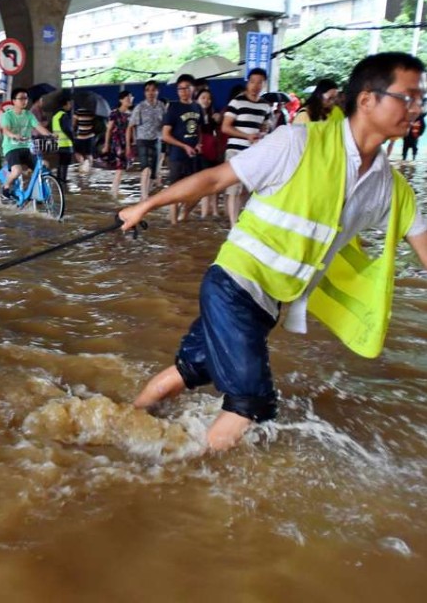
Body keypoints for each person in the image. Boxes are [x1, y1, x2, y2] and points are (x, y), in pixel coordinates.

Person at [118, 52, 427, 451]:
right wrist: (145, 205)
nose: (417, 107)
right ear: (367, 100)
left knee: (190, 369)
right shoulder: (298, 142)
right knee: (252, 403)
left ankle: (126, 420)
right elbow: (217, 177)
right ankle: (181, 480)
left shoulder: (391, 189)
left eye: (421, 98)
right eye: (409, 97)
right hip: (234, 282)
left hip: (269, 303)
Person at [221, 68, 272, 227]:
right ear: (247, 83)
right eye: (253, 82)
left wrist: (263, 132)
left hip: (253, 153)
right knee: (234, 189)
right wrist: (247, 136)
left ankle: (238, 219)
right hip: (235, 150)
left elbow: (265, 126)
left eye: (260, 82)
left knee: (247, 189)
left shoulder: (265, 106)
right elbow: (225, 127)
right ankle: (233, 225)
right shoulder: (237, 102)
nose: (256, 86)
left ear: (264, 85)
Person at [161, 74, 203, 223]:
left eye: (187, 88)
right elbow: (165, 135)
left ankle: (183, 214)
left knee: (198, 191)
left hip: (194, 157)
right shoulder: (173, 107)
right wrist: (184, 146)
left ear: (194, 88)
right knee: (175, 191)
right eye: (180, 89)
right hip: (177, 156)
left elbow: (199, 130)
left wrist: (198, 143)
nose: (183, 91)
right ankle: (174, 224)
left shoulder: (198, 107)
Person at [0, 88, 54, 199]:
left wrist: (50, 135)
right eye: (21, 98)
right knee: (17, 170)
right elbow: (5, 130)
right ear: (13, 101)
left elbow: (39, 127)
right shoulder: (7, 116)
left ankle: (36, 192)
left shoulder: (29, 115)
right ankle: (6, 186)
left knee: (44, 165)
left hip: (27, 147)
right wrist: (14, 136)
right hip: (11, 148)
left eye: (26, 98)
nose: (24, 101)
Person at [127, 80, 167, 200]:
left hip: (157, 141)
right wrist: (129, 145)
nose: (150, 93)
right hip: (143, 140)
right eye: (148, 90)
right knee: (146, 168)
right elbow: (130, 126)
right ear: (144, 93)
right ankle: (143, 196)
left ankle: (147, 193)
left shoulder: (161, 106)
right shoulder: (140, 107)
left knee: (154, 173)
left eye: (153, 90)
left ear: (157, 92)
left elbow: (165, 124)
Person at [195, 88, 221, 218]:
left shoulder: (213, 116)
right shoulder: (194, 116)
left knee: (215, 182)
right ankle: (204, 213)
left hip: (212, 151)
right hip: (201, 152)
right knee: (205, 182)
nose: (206, 100)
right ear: (197, 99)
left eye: (208, 98)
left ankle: (215, 211)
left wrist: (217, 120)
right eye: (203, 98)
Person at [103, 90, 133, 198]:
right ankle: (114, 192)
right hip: (117, 142)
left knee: (123, 167)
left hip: (126, 142)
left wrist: (132, 142)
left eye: (131, 98)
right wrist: (106, 145)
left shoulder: (130, 114)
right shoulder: (115, 113)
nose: (130, 100)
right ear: (121, 100)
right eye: (127, 98)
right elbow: (109, 129)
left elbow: (131, 130)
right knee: (120, 167)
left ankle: (114, 189)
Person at [50, 95, 75, 183]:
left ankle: (59, 179)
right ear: (65, 104)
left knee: (60, 162)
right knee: (65, 163)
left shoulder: (55, 116)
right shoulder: (64, 115)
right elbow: (67, 129)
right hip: (66, 144)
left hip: (57, 143)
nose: (70, 106)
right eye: (69, 104)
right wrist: (73, 139)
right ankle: (63, 180)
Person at [72, 104, 97, 177]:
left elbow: (73, 125)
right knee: (89, 154)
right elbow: (94, 123)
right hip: (90, 136)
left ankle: (82, 164)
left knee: (77, 152)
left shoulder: (78, 112)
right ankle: (90, 171)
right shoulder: (92, 112)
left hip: (80, 136)